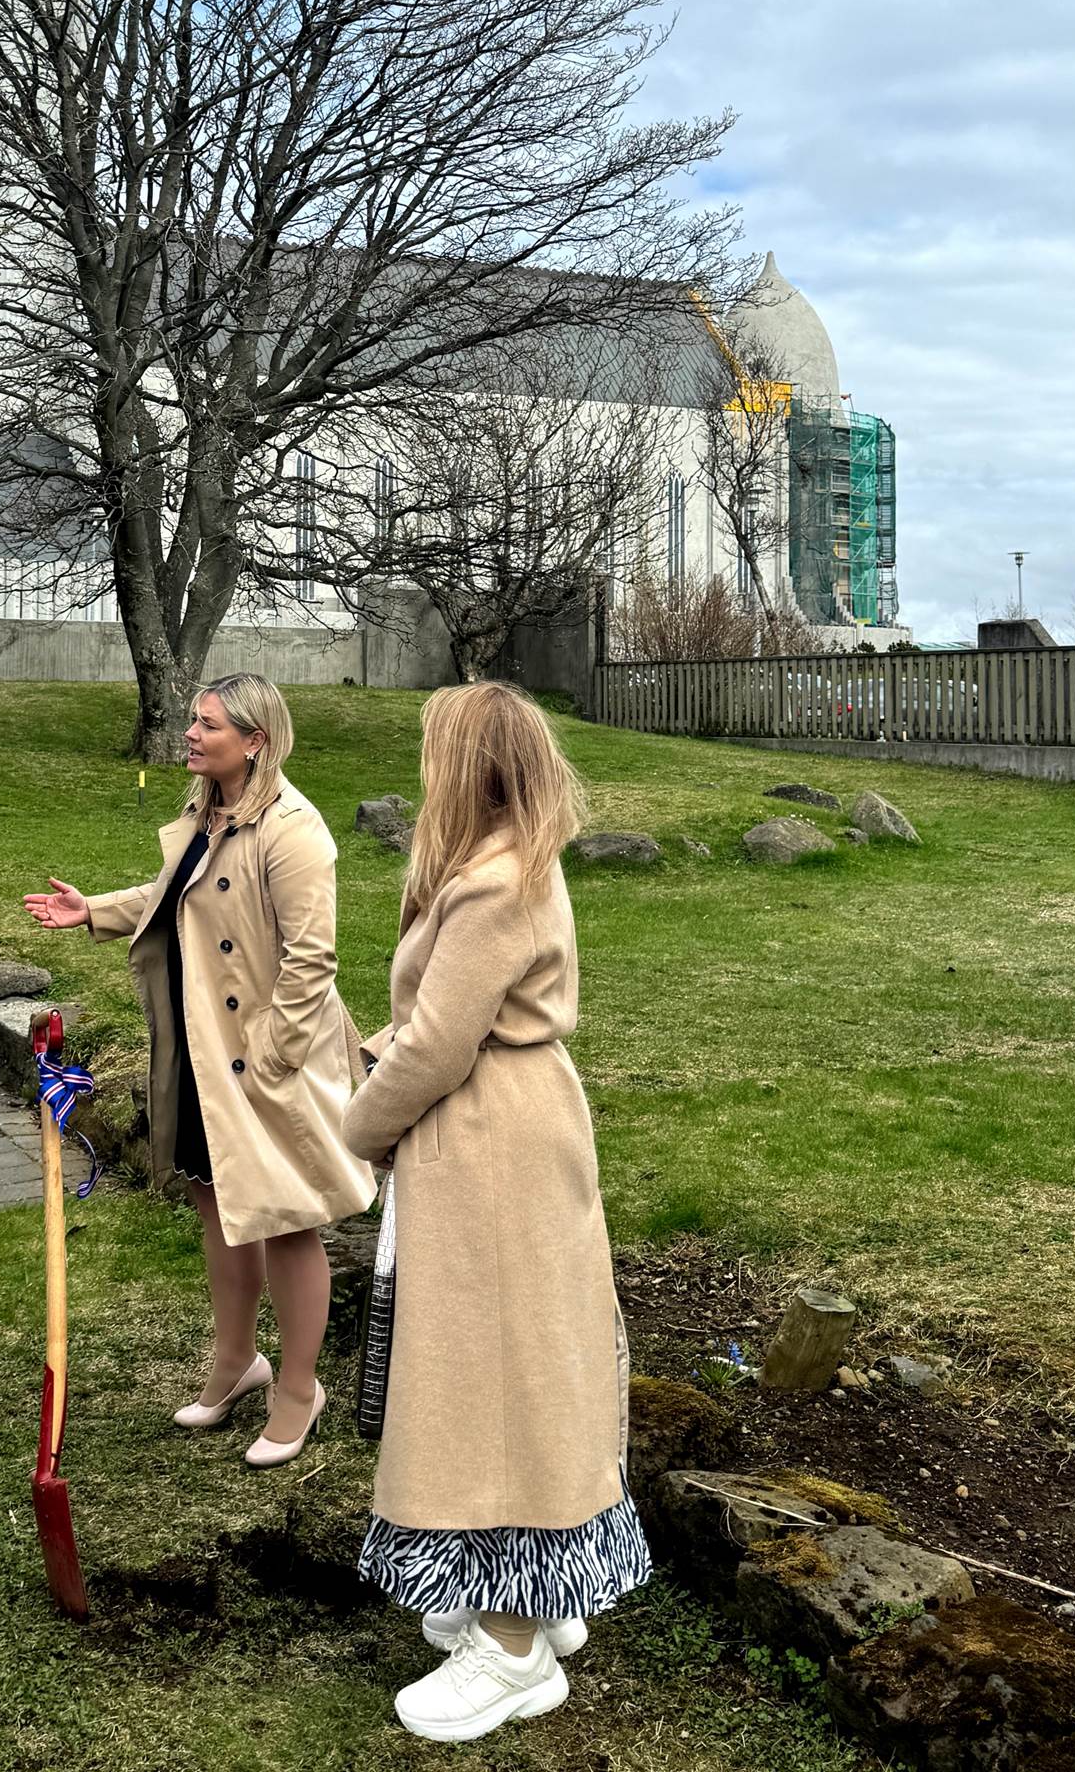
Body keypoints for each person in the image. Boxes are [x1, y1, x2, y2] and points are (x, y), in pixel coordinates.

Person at [339, 681, 651, 1744]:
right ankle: (535, 1596)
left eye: (437, 750)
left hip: (491, 1141)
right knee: (522, 1361)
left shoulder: (493, 879)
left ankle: (513, 1644)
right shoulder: (510, 860)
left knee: (498, 1372)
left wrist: (358, 1125)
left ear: (470, 762)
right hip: (504, 1128)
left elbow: (436, 1041)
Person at [25, 674, 373, 1468]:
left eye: (207, 724)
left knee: (285, 1217)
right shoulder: (204, 810)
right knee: (215, 1199)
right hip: (200, 1048)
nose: (190, 732)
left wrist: (274, 1064)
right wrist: (97, 912)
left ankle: (297, 1387)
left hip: (264, 1060)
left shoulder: (295, 831)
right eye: (192, 719)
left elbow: (312, 960)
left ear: (254, 740)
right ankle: (234, 1362)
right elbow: (176, 894)